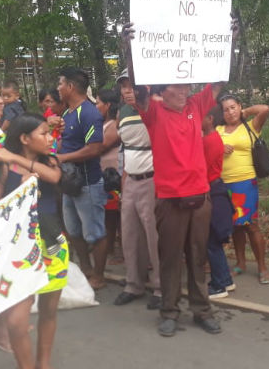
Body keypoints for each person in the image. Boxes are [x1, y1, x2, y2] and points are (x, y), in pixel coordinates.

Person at [122, 23, 226, 337]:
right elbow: (138, 86)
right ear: (161, 92)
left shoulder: (196, 105)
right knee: (169, 259)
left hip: (200, 198)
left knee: (198, 257)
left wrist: (228, 40)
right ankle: (169, 311)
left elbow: (219, 80)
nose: (183, 92)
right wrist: (129, 48)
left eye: (186, 87)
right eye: (176, 88)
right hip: (168, 199)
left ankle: (202, 310)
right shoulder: (152, 112)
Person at [0, 114, 68, 369]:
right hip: (16, 251)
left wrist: (19, 160)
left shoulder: (49, 162)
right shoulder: (2, 166)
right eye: (43, 133)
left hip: (52, 246)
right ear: (24, 138)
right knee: (16, 322)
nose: (50, 137)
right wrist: (19, 193)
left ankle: (44, 365)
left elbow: (53, 178)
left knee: (48, 312)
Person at [112, 69, 162, 310]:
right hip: (130, 179)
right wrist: (124, 182)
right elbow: (125, 149)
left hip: (154, 180)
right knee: (130, 234)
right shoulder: (122, 112)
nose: (126, 90)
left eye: (131, 85)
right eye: (123, 86)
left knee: (155, 237)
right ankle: (133, 284)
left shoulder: (156, 108)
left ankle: (161, 287)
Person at [55, 67, 107, 290]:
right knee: (73, 230)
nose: (57, 88)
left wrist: (63, 157)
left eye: (60, 84)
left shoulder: (89, 113)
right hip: (68, 183)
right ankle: (86, 270)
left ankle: (99, 275)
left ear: (70, 87)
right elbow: (65, 143)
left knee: (94, 232)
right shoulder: (67, 114)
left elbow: (94, 148)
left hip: (88, 182)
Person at [216, 94, 269, 284]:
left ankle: (262, 268)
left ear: (239, 106)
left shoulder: (250, 127)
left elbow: (265, 109)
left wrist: (245, 113)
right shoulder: (218, 129)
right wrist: (219, 149)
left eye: (233, 107)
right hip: (223, 184)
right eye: (226, 109)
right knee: (235, 227)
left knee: (251, 225)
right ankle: (240, 263)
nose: (230, 112)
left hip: (245, 183)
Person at [202, 105, 235, 299]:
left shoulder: (209, 141)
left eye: (202, 117)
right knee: (213, 241)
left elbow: (202, 168)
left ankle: (219, 284)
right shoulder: (213, 138)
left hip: (211, 190)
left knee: (210, 241)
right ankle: (225, 279)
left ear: (210, 119)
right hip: (215, 188)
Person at [96, 88, 121, 263]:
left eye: (98, 102)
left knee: (114, 216)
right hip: (105, 176)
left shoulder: (114, 125)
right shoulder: (103, 124)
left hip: (113, 177)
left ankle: (114, 250)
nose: (96, 106)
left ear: (108, 105)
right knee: (109, 215)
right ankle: (111, 248)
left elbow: (100, 146)